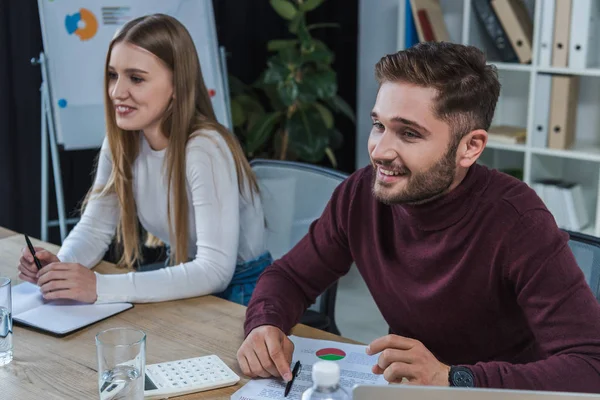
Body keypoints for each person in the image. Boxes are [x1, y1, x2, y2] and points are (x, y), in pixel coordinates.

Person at [236, 42, 600, 392]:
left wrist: (453, 378)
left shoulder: (520, 221)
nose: (379, 151)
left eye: (409, 133)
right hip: (407, 389)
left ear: (470, 147)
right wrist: (264, 323)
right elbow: (290, 277)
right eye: (379, 125)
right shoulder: (360, 194)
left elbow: (590, 365)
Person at [17, 14, 270, 306]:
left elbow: (215, 271)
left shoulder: (204, 148)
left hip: (243, 290)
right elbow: (95, 229)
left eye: (135, 78)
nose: (116, 92)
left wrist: (98, 285)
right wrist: (60, 266)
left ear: (177, 85)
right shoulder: (122, 141)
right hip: (185, 275)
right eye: (113, 75)